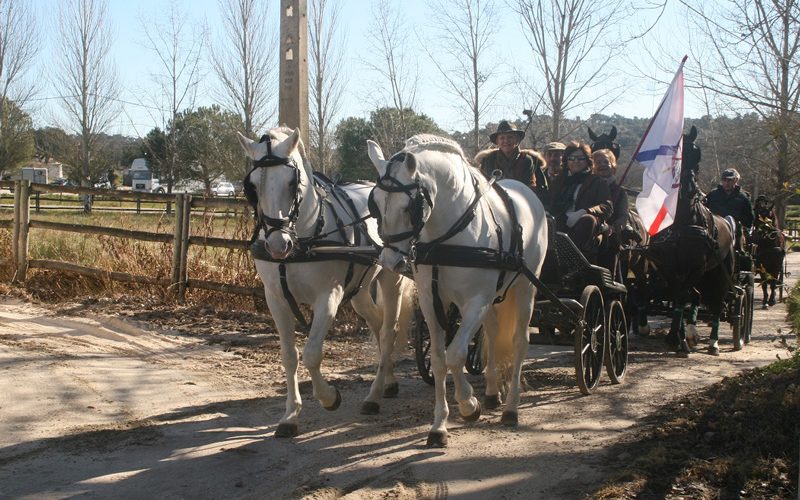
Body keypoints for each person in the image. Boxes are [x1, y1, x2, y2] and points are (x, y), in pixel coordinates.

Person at [547, 141, 613, 262]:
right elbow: (549, 201)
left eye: (580, 158)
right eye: (571, 158)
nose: (575, 161)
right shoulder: (559, 181)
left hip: (584, 224)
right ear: (566, 161)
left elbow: (607, 207)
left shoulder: (597, 181)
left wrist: (585, 211)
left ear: (587, 160)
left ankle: (570, 259)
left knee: (588, 220)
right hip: (560, 219)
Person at [475, 120, 548, 202]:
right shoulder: (488, 160)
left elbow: (527, 188)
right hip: (494, 203)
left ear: (517, 140)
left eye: (510, 137)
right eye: (502, 138)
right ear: (497, 142)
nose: (506, 141)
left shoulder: (526, 160)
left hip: (522, 204)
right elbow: (484, 185)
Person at [591, 148, 628, 270]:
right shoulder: (588, 188)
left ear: (612, 165)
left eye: (605, 162)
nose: (602, 165)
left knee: (611, 245)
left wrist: (612, 228)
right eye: (598, 162)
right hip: (590, 229)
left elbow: (623, 216)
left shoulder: (619, 191)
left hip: (609, 233)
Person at [703, 168, 754, 250]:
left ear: (735, 180)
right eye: (724, 180)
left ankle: (731, 248)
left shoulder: (743, 198)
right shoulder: (712, 195)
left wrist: (743, 229)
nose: (726, 183)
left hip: (735, 230)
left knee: (729, 219)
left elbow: (749, 218)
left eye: (729, 180)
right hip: (714, 229)